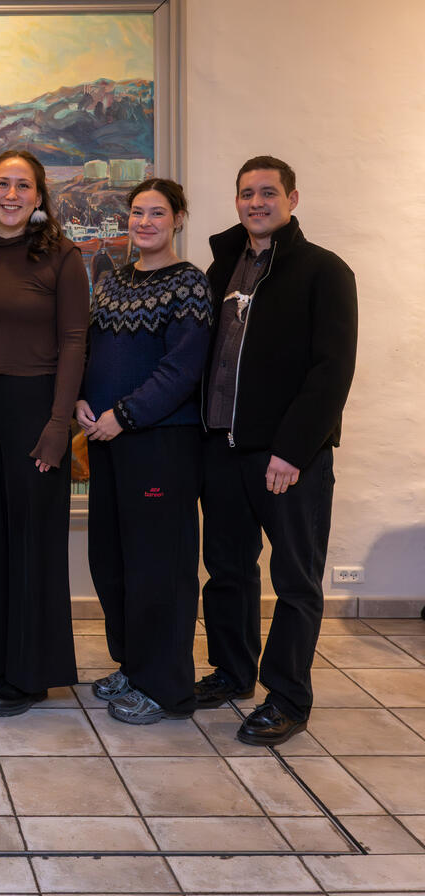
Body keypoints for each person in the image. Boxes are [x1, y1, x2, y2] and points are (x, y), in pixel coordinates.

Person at [197, 156, 358, 745]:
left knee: (295, 582)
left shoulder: (324, 271)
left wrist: (291, 450)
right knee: (228, 572)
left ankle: (287, 697)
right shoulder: (221, 270)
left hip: (290, 459)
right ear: (235, 200)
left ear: (292, 198)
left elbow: (332, 371)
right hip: (222, 450)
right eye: (246, 193)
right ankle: (232, 673)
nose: (256, 202)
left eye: (268, 193)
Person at [0, 150, 89, 716]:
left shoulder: (63, 257)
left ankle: (31, 674)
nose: (11, 194)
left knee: (32, 542)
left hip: (36, 409)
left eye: (23, 186)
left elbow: (76, 343)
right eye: (2, 183)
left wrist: (60, 427)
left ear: (38, 197)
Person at [75, 178, 213, 724]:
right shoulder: (112, 282)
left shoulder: (190, 285)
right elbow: (93, 349)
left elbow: (181, 371)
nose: (145, 222)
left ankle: (167, 688)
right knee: (112, 562)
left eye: (157, 213)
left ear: (178, 219)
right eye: (137, 213)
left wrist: (122, 416)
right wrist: (85, 400)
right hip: (108, 442)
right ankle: (133, 666)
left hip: (159, 445)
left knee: (161, 568)